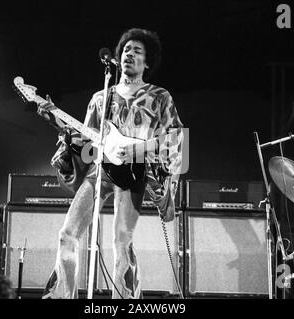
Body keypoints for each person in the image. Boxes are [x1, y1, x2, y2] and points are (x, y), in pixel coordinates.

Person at [38, 28, 184, 299]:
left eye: (137, 51)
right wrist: (58, 122)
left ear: (147, 62)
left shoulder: (159, 96)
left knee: (121, 242)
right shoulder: (100, 98)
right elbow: (85, 142)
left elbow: (175, 137)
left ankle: (124, 300)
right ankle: (63, 296)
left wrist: (140, 148)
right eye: (126, 49)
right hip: (100, 171)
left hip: (133, 174)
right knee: (66, 234)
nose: (129, 53)